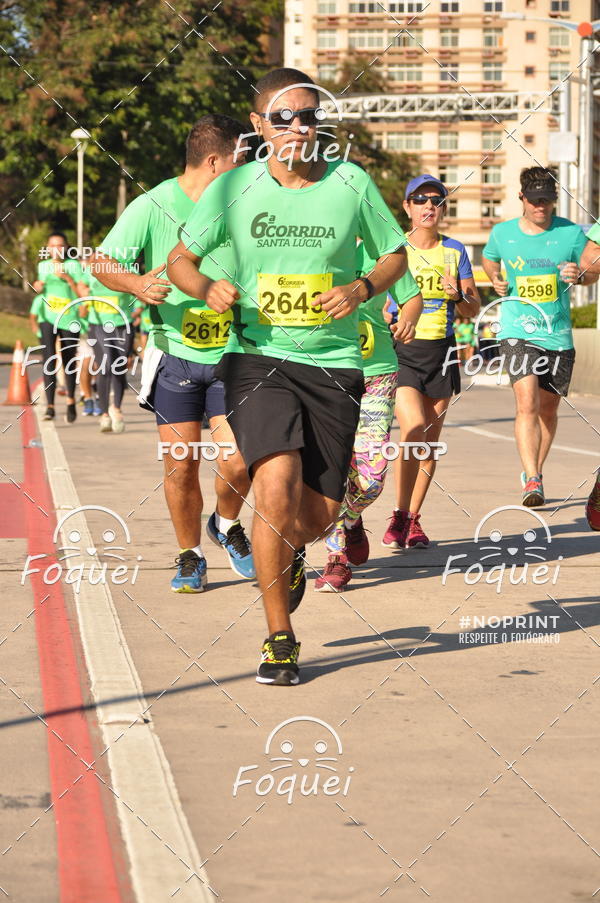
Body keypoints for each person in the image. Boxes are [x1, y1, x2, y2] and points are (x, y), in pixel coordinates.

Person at [167, 67, 409, 686]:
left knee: (319, 517)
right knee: (274, 479)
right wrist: (207, 287)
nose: (299, 127)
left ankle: (292, 550)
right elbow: (179, 261)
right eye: (284, 117)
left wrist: (361, 287)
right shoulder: (233, 190)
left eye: (309, 117)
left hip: (334, 365)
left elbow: (394, 254)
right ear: (259, 126)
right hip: (258, 357)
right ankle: (280, 638)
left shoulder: (350, 182)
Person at [90, 115, 254, 591]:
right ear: (213, 161)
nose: (246, 167)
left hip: (234, 352)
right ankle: (189, 554)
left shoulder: (244, 204)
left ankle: (226, 524)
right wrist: (137, 283)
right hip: (175, 355)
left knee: (238, 462)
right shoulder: (154, 204)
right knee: (182, 464)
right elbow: (100, 259)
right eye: (239, 159)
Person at [482, 166, 596, 507]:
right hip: (518, 329)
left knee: (548, 410)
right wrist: (496, 278)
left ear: (555, 199)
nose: (540, 207)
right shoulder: (502, 234)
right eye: (534, 201)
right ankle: (531, 477)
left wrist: (581, 276)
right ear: (522, 198)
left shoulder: (571, 234)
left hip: (558, 334)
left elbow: (590, 272)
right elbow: (490, 260)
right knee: (527, 403)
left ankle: (536, 472)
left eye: (546, 200)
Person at [383, 174, 480, 549]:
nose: (429, 207)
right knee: (413, 430)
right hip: (403, 352)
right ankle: (398, 513)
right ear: (407, 207)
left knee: (428, 444)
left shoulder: (455, 250)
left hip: (442, 353)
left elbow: (473, 309)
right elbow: (374, 297)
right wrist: (386, 319)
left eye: (436, 201)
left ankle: (413, 520)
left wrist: (458, 295)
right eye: (420, 200)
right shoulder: (394, 248)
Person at [314, 256, 422, 591]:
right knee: (330, 467)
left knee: (372, 478)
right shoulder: (317, 248)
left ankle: (349, 517)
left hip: (377, 373)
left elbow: (412, 297)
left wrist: (408, 319)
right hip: (323, 370)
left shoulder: (382, 256)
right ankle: (336, 557)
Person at [78, 266, 141, 432]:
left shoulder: (128, 268)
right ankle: (105, 414)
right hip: (98, 324)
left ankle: (117, 409)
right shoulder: (93, 268)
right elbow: (81, 284)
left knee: (119, 368)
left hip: (122, 325)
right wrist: (83, 291)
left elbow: (139, 291)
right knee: (105, 367)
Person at [32, 232, 85, 422]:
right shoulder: (42, 266)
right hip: (47, 317)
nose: (56, 249)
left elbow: (81, 294)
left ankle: (71, 401)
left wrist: (68, 278)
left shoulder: (74, 265)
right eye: (52, 245)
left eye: (60, 245)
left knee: (68, 360)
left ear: (66, 247)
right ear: (47, 248)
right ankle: (50, 406)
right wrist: (37, 286)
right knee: (49, 361)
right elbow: (39, 290)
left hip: (69, 318)